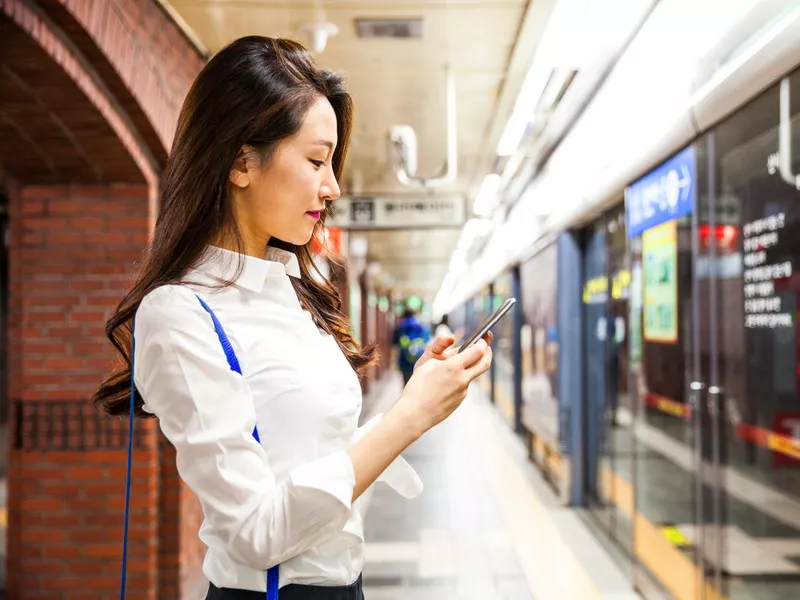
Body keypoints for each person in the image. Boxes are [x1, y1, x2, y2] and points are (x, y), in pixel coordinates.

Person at [92, 36, 492, 600]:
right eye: (315, 160)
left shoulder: (294, 292)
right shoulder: (180, 313)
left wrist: (416, 404)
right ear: (240, 161)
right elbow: (255, 531)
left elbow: (319, 453)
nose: (331, 187)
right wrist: (409, 417)